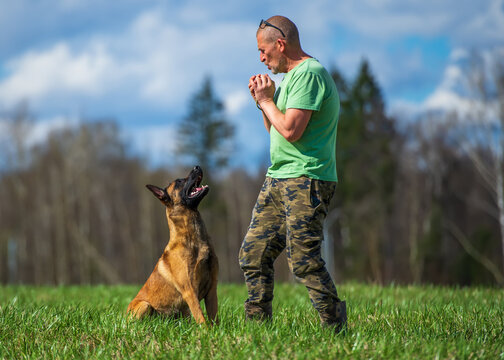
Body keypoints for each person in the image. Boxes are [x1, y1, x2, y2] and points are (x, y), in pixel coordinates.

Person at [238, 16, 347, 332]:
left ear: (280, 45)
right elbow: (274, 129)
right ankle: (258, 329)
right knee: (253, 254)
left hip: (307, 179)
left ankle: (335, 327)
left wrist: (267, 100)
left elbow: (291, 130)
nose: (261, 58)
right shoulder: (289, 81)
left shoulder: (310, 75)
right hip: (278, 178)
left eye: (263, 50)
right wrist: (264, 104)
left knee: (304, 260)